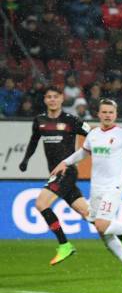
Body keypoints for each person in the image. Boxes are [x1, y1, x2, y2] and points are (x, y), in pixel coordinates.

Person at [51, 99, 122, 277]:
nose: (107, 115)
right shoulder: (94, 134)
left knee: (101, 224)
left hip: (114, 185)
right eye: (104, 112)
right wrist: (65, 162)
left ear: (115, 115)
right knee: (101, 230)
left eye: (110, 112)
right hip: (96, 186)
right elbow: (83, 152)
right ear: (98, 114)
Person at [18, 86, 91, 265]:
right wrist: (26, 159)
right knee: (87, 213)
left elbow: (92, 134)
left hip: (67, 171)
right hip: (54, 172)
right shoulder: (40, 120)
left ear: (61, 99)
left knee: (41, 203)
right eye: (48, 97)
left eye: (55, 97)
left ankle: (64, 244)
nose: (52, 100)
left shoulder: (71, 120)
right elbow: (34, 140)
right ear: (45, 100)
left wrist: (92, 153)